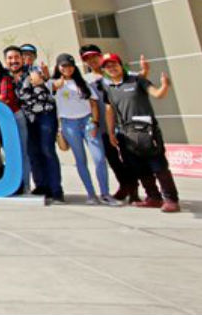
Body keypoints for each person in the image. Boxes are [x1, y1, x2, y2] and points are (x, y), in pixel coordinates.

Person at [100, 53, 180, 212]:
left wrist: (165, 86)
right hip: (126, 133)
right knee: (140, 168)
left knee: (159, 166)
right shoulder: (108, 88)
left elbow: (157, 94)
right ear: (104, 70)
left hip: (147, 131)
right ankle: (153, 197)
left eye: (114, 64)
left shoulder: (137, 80)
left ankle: (171, 199)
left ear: (121, 65)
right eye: (107, 66)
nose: (112, 68)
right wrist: (111, 133)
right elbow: (109, 111)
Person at [81, 44, 147, 203]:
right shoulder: (86, 80)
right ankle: (125, 186)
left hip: (124, 125)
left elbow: (137, 82)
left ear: (101, 56)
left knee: (129, 158)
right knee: (113, 160)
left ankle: (134, 191)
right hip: (103, 127)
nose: (92, 61)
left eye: (94, 56)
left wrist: (145, 72)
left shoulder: (114, 73)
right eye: (87, 59)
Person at [50, 53, 117, 206]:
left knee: (99, 158)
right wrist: (54, 83)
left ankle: (105, 193)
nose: (67, 68)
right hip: (69, 124)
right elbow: (44, 87)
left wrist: (94, 122)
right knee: (81, 160)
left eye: (70, 65)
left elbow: (93, 104)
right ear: (58, 67)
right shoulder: (54, 83)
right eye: (64, 65)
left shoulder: (82, 83)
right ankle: (91, 194)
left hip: (87, 121)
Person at [17, 53, 64, 204]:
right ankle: (41, 185)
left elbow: (49, 83)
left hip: (44, 114)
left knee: (47, 150)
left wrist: (43, 76)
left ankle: (56, 189)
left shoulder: (35, 71)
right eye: (22, 55)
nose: (25, 58)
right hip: (27, 117)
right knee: (33, 152)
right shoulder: (12, 74)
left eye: (28, 55)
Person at [3, 45, 35, 193]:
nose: (13, 61)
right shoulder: (3, 76)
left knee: (24, 152)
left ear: (22, 59)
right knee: (11, 152)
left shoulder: (32, 73)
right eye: (10, 58)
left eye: (16, 57)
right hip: (5, 119)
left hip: (25, 118)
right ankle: (13, 184)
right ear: (5, 61)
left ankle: (26, 185)